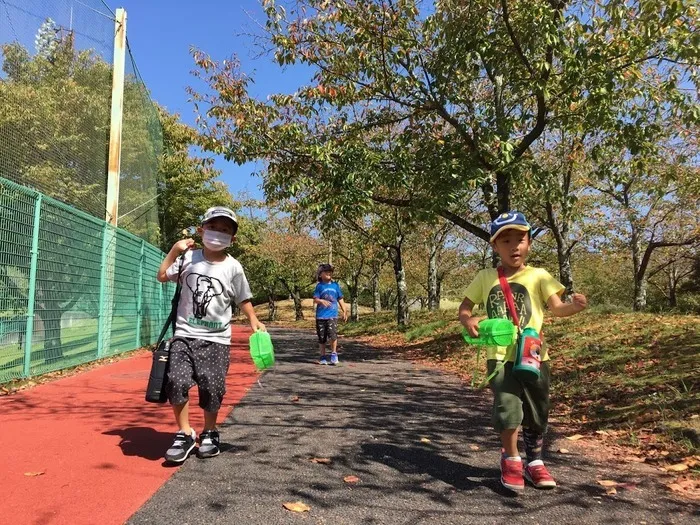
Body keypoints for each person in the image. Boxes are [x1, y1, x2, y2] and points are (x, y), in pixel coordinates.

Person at [458, 211, 587, 492]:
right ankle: (512, 459)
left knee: (537, 411)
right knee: (508, 407)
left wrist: (573, 307)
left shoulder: (539, 276)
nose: (513, 246)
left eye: (520, 239)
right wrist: (468, 321)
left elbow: (557, 307)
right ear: (494, 246)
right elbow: (465, 308)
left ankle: (535, 462)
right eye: (505, 241)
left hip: (534, 356)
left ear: (529, 243)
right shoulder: (485, 277)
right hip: (500, 356)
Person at [156, 206, 265, 463]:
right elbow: (162, 275)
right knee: (177, 381)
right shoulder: (187, 259)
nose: (218, 233)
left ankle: (210, 432)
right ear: (201, 230)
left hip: (217, 340)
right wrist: (174, 250)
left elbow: (242, 296)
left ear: (232, 239)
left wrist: (253, 319)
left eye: (225, 230)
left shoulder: (233, 267)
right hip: (183, 334)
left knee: (212, 386)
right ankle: (184, 433)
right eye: (213, 228)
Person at [313, 263, 348, 365]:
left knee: (333, 335)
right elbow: (315, 299)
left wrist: (344, 311)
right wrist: (321, 301)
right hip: (321, 316)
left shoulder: (335, 285)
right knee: (322, 337)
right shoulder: (319, 286)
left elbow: (340, 299)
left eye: (330, 272)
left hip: (332, 315)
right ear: (320, 275)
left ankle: (334, 354)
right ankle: (323, 357)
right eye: (326, 272)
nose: (329, 273)